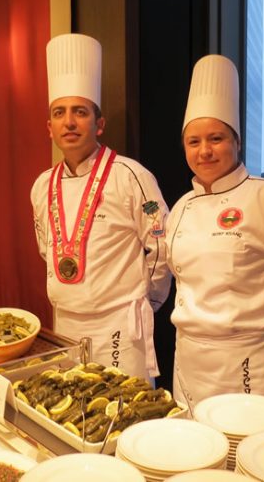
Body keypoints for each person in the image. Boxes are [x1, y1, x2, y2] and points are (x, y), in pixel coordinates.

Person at [166, 55, 264, 426]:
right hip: (192, 360)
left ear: (237, 142)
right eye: (193, 141)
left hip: (259, 360)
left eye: (216, 138)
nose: (204, 151)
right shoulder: (180, 208)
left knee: (258, 450)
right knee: (197, 449)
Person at [30, 33, 171, 380]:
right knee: (73, 406)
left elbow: (162, 246)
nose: (69, 122)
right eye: (59, 113)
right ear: (49, 128)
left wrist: (145, 302)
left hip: (120, 324)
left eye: (80, 112)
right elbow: (48, 249)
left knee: (126, 408)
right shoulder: (41, 186)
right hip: (65, 321)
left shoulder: (131, 176)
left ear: (99, 124)